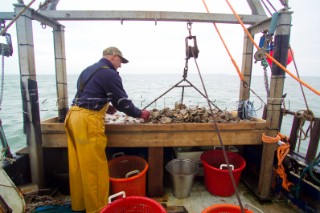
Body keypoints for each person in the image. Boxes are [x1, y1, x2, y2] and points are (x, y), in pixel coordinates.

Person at [64, 46, 150, 213]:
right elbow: (122, 102)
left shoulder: (88, 70)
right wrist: (140, 113)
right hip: (88, 121)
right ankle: (97, 209)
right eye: (120, 61)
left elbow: (86, 94)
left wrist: (106, 105)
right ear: (112, 57)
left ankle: (80, 205)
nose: (120, 65)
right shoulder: (109, 73)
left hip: (73, 117)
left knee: (79, 167)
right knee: (95, 169)